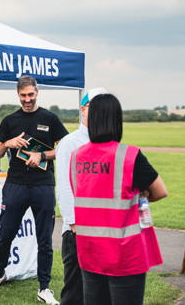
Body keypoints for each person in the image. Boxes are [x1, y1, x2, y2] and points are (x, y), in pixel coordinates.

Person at [70, 94, 168, 305]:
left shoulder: (77, 156)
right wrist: (140, 196)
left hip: (90, 250)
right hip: (124, 252)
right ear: (117, 120)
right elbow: (160, 191)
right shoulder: (129, 155)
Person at [0, 75, 68, 305]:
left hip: (43, 185)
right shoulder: (10, 120)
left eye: (31, 95)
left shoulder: (50, 118)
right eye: (23, 96)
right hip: (16, 185)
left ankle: (44, 288)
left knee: (44, 240)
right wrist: (8, 143)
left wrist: (43, 155)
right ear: (18, 95)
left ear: (37, 92)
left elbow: (65, 149)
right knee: (4, 235)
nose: (27, 99)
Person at [55, 87, 108, 305]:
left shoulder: (107, 142)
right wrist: (74, 223)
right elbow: (65, 187)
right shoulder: (70, 142)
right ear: (83, 110)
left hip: (104, 229)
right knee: (76, 292)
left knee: (101, 292)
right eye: (92, 108)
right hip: (79, 231)